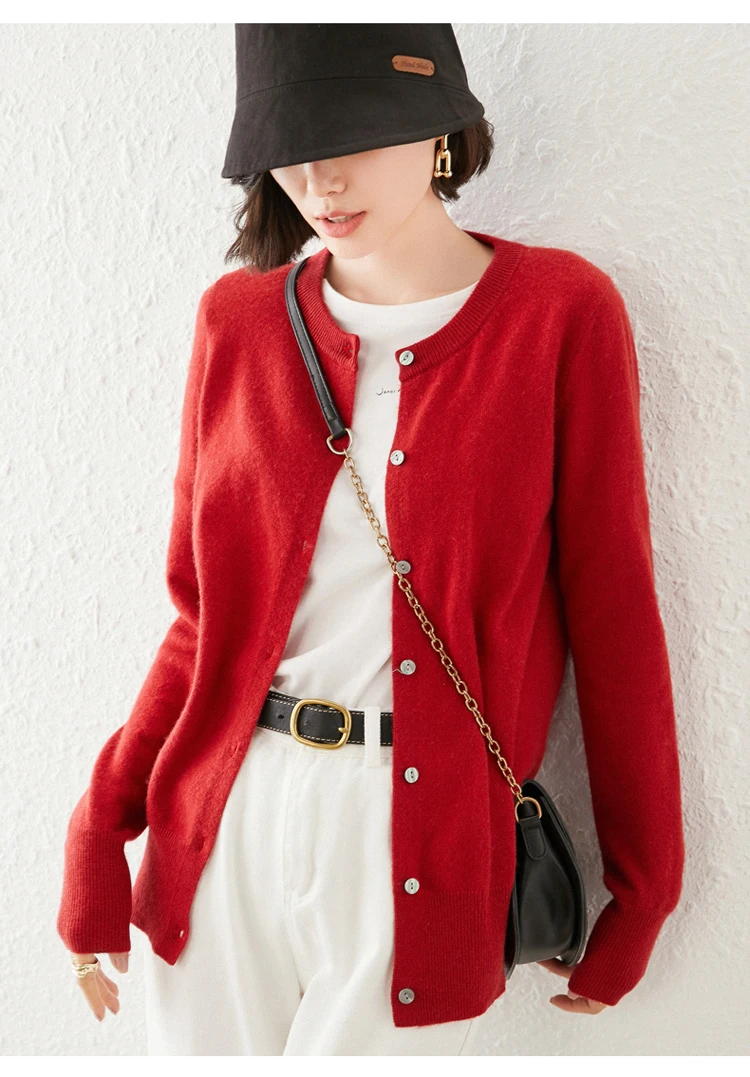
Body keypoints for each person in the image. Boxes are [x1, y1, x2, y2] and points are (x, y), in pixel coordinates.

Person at [56, 25, 685, 1055]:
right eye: (290, 151)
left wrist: (643, 891)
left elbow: (614, 617)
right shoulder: (238, 324)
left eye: (350, 139)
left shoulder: (558, 315)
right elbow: (202, 620)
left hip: (417, 839)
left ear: (438, 128)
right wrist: (99, 830)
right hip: (224, 821)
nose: (319, 181)